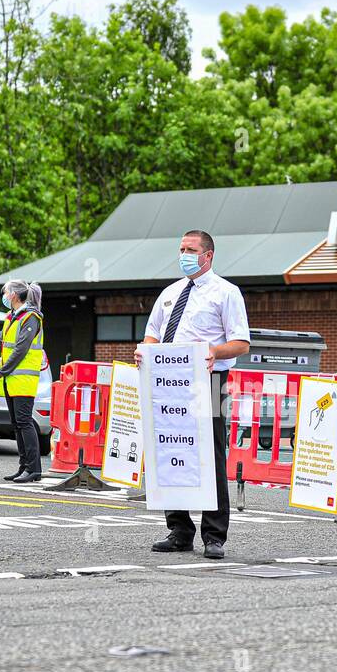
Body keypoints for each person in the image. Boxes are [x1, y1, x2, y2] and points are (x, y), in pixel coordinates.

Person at [137, 230, 250, 559]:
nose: (184, 254)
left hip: (209, 383)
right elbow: (153, 335)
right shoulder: (170, 293)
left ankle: (214, 536)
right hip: (167, 384)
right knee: (170, 450)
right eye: (181, 249)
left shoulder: (226, 293)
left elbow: (241, 343)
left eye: (191, 249)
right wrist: (145, 352)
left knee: (210, 456)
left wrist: (215, 350)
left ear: (208, 255)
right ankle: (179, 530)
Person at [0, 279, 45, 483]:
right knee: (17, 424)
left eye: (5, 292)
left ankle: (34, 469)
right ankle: (24, 467)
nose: (4, 296)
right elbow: (0, 344)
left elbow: (21, 348)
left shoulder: (31, 317)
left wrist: (3, 371)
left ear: (14, 295)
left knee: (24, 422)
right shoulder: (12, 317)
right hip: (12, 381)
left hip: (23, 379)